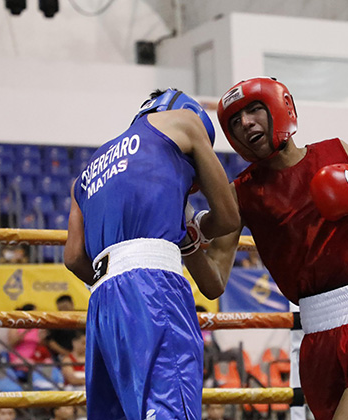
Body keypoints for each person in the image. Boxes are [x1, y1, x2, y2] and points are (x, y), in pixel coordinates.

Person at [196, 77, 348, 420]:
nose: (245, 123)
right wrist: (188, 243)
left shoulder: (336, 152)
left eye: (254, 109)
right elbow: (213, 282)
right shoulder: (240, 194)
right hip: (319, 336)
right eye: (234, 121)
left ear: (280, 107)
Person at [64, 89, 239, 420]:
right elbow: (228, 217)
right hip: (153, 289)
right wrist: (195, 230)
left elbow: (73, 258)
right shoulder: (185, 122)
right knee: (171, 411)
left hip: (102, 302)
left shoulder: (85, 175)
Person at [46, 295, 80, 360]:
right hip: (61, 357)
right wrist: (68, 354)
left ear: (72, 304)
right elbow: (51, 342)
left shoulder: (81, 318)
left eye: (66, 308)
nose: (64, 311)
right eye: (61, 309)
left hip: (82, 356)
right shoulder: (55, 321)